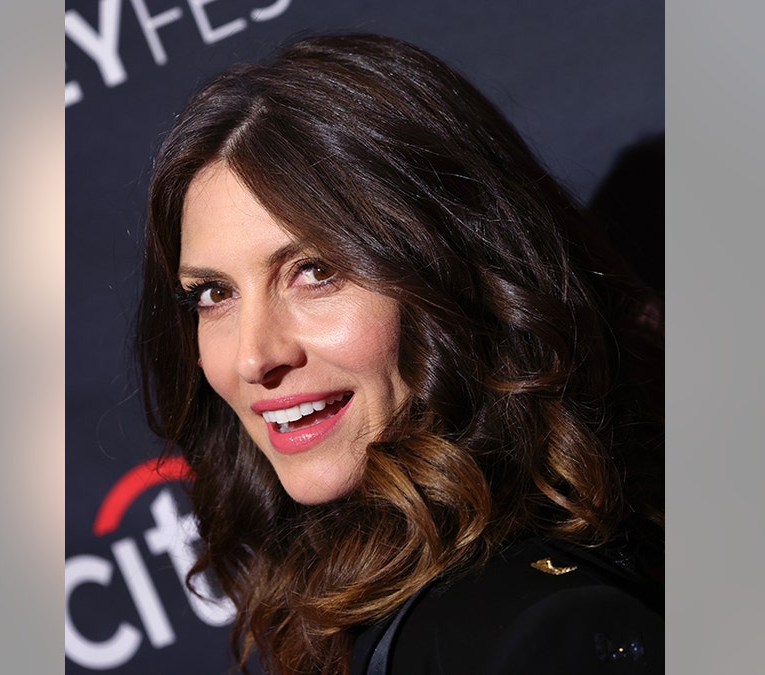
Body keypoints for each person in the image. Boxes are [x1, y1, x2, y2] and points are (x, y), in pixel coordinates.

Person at [136, 34, 663, 675]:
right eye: (214, 294)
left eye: (314, 270)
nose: (253, 357)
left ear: (457, 270)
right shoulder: (375, 603)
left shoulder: (535, 636)